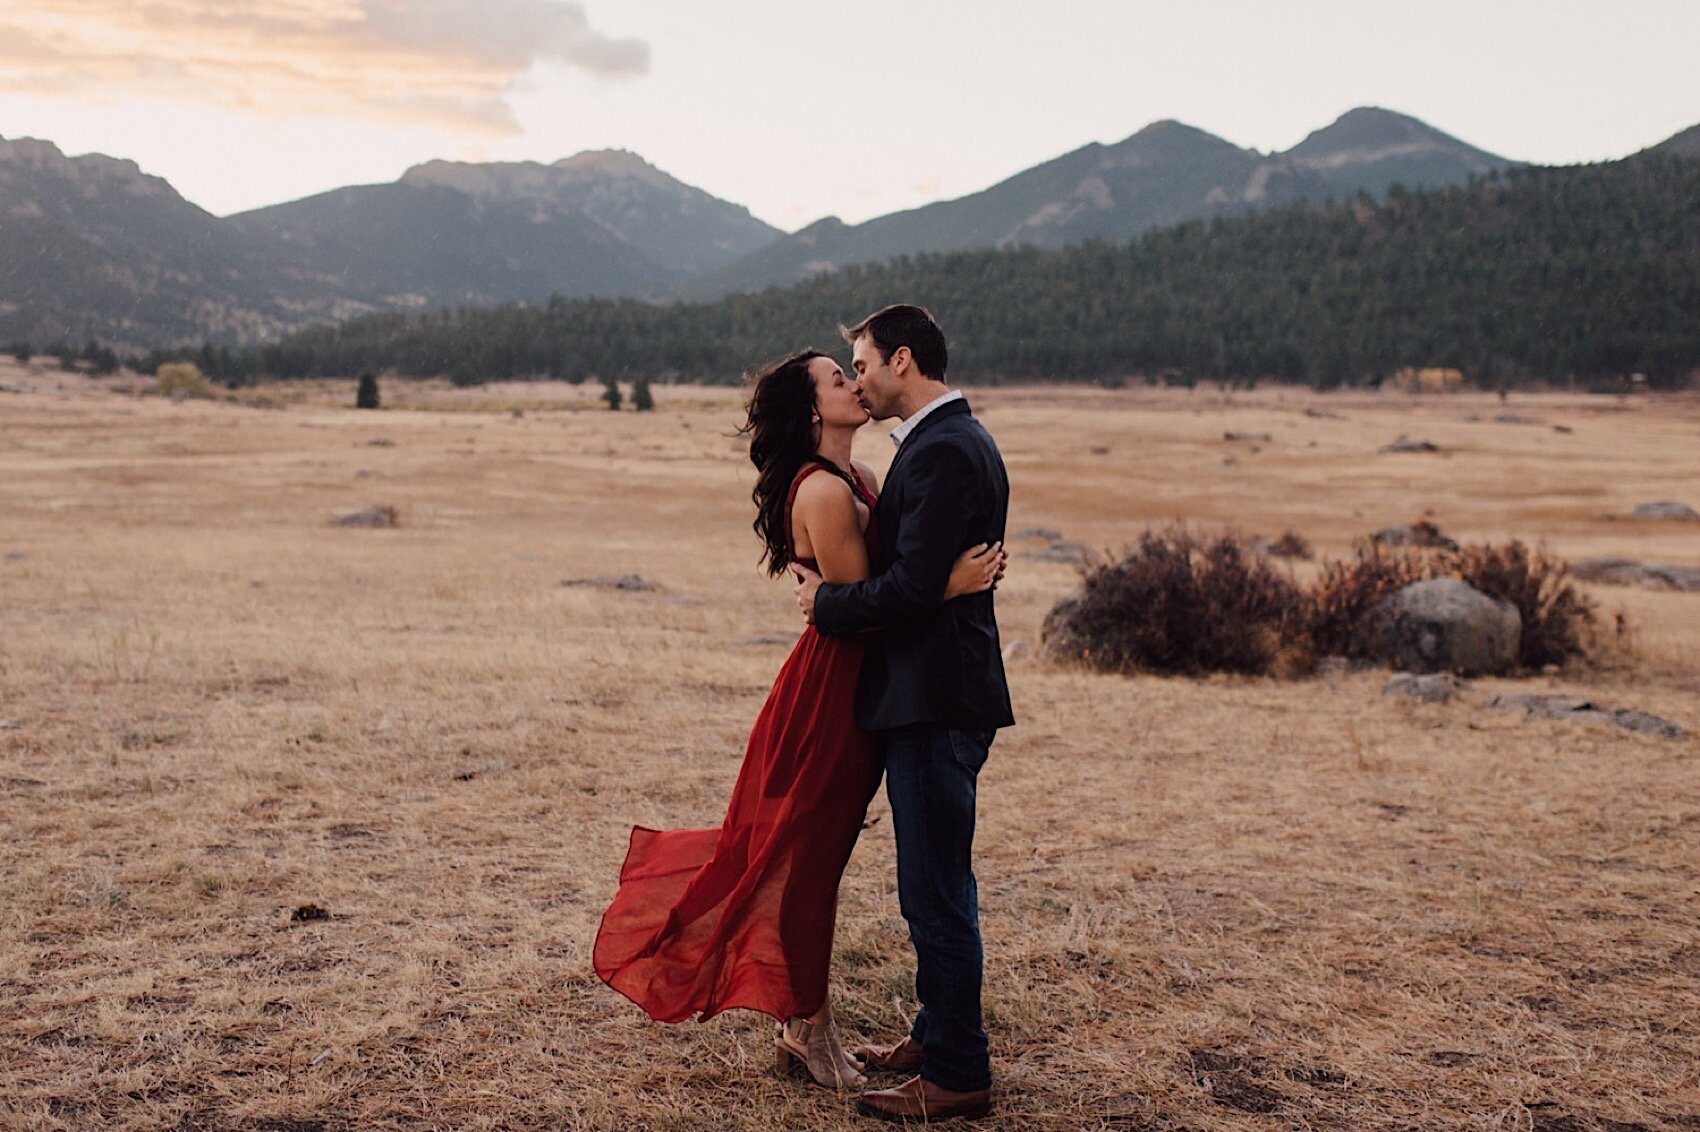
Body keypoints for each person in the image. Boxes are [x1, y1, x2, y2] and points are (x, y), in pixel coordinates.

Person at [593, 349, 1006, 1091]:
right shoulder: (821, 491)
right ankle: (807, 1033)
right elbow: (866, 613)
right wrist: (948, 584)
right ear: (814, 409)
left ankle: (803, 1024)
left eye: (854, 369)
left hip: (864, 689)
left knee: (815, 856)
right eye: (837, 377)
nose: (854, 382)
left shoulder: (863, 479)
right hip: (833, 695)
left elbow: (873, 592)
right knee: (806, 860)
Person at [794, 304, 1014, 1124]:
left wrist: (827, 604)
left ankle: (957, 1074)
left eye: (865, 363)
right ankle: (933, 1035)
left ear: (904, 360)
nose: (859, 379)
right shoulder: (946, 442)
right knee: (934, 883)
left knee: (935, 894)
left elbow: (915, 589)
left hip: (934, 699)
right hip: (937, 690)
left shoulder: (946, 449)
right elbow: (935, 573)